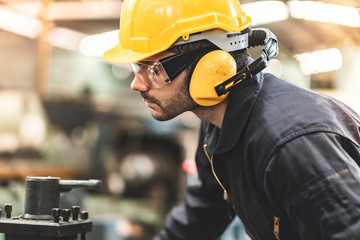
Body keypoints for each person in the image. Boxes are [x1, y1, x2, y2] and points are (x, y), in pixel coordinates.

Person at [103, 0, 360, 239]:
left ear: (211, 66)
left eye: (154, 69)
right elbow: (202, 216)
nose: (137, 84)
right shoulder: (217, 125)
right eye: (137, 67)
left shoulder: (291, 144)